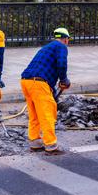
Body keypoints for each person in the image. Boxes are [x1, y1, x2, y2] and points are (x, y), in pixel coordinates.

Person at [20, 27, 71, 155]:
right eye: (68, 40)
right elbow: (62, 64)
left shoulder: (46, 48)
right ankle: (51, 145)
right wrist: (64, 79)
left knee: (35, 114)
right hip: (39, 83)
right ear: (65, 39)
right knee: (47, 114)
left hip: (26, 81)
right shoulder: (61, 47)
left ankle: (35, 142)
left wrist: (53, 90)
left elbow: (47, 70)